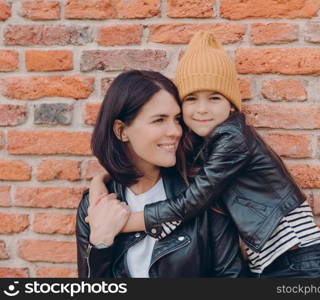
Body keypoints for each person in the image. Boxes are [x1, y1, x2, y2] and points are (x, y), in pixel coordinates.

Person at [89, 32, 320, 278]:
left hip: (296, 257)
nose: (202, 109)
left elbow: (190, 202)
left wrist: (123, 224)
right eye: (191, 99)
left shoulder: (232, 138)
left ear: (232, 105)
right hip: (269, 262)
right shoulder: (204, 146)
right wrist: (99, 183)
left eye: (214, 98)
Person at [76, 70, 245, 278]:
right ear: (121, 130)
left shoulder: (202, 192)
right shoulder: (94, 207)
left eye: (177, 119)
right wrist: (101, 240)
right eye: (159, 120)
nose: (175, 131)